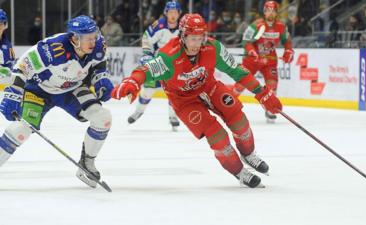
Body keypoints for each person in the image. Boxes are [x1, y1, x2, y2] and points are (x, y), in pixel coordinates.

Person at [111, 14, 282, 188]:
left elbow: (236, 70)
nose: (196, 44)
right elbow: (145, 70)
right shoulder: (168, 56)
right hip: (184, 101)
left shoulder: (212, 48)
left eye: (200, 38)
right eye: (192, 38)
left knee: (239, 120)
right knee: (217, 136)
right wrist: (132, 81)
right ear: (183, 36)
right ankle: (239, 171)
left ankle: (248, 154)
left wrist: (262, 93)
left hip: (210, 88)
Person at [0, 15, 114, 189]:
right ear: (75, 38)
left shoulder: (98, 45)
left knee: (103, 118)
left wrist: (101, 79)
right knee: (21, 130)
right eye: (88, 38)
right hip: (38, 90)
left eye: (94, 36)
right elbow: (21, 67)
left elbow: (99, 64)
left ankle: (87, 163)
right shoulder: (52, 50)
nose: (94, 41)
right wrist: (13, 93)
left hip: (71, 89)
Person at [234, 1, 294, 123]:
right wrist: (251, 51)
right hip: (252, 60)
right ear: (264, 12)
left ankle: (269, 108)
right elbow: (246, 41)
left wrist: (288, 51)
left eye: (273, 10)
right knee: (240, 85)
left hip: (270, 60)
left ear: (277, 12)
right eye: (268, 10)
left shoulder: (281, 27)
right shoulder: (256, 25)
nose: (270, 13)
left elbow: (287, 41)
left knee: (272, 84)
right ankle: (226, 106)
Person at [127, 1, 181, 131]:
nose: (173, 15)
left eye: (175, 12)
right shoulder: (159, 25)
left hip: (177, 65)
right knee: (148, 90)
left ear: (179, 13)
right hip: (158, 63)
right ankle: (139, 111)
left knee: (175, 93)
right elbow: (146, 38)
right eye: (170, 12)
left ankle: (173, 116)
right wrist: (147, 53)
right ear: (165, 13)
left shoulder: (184, 27)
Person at [0, 9, 15, 86]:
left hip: (4, 86)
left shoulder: (7, 44)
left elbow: (10, 64)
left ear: (5, 25)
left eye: (1, 23)